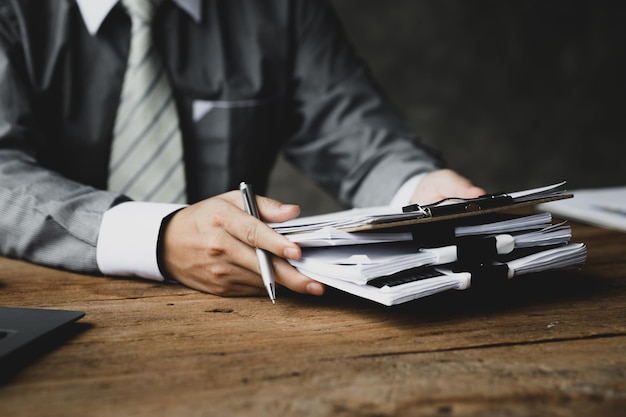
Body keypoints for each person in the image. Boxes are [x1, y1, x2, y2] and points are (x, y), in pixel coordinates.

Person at [0, 0, 485, 298]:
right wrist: (158, 237)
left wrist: (427, 191)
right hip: (44, 309)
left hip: (236, 314)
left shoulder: (281, 9)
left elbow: (358, 136)